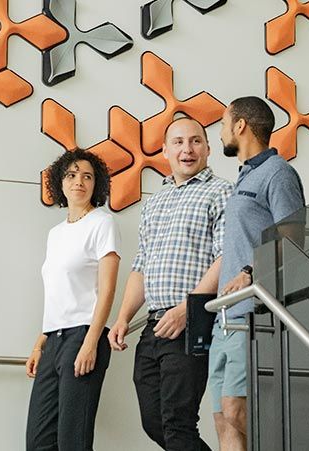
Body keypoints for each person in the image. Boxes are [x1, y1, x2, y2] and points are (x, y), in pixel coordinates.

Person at [108, 117, 232, 450]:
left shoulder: (221, 191)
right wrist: (122, 318)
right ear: (164, 151)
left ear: (207, 148)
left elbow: (226, 258)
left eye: (195, 141)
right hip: (153, 325)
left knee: (178, 423)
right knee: (155, 423)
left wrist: (186, 310)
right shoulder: (155, 201)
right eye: (178, 142)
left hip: (192, 321)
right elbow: (141, 266)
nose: (187, 149)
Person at [209, 96, 306, 451]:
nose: (219, 132)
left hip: (252, 316)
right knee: (222, 418)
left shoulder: (278, 174)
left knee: (237, 411)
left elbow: (292, 239)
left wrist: (250, 272)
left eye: (222, 124)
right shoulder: (245, 176)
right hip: (225, 317)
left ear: (240, 126)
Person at [26, 149, 121, 451]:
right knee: (39, 442)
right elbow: (57, 293)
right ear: (60, 183)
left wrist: (91, 343)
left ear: (97, 184)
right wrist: (40, 342)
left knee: (73, 443)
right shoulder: (55, 234)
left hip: (83, 335)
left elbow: (107, 290)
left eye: (87, 176)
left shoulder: (102, 224)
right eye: (71, 174)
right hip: (53, 341)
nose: (78, 181)